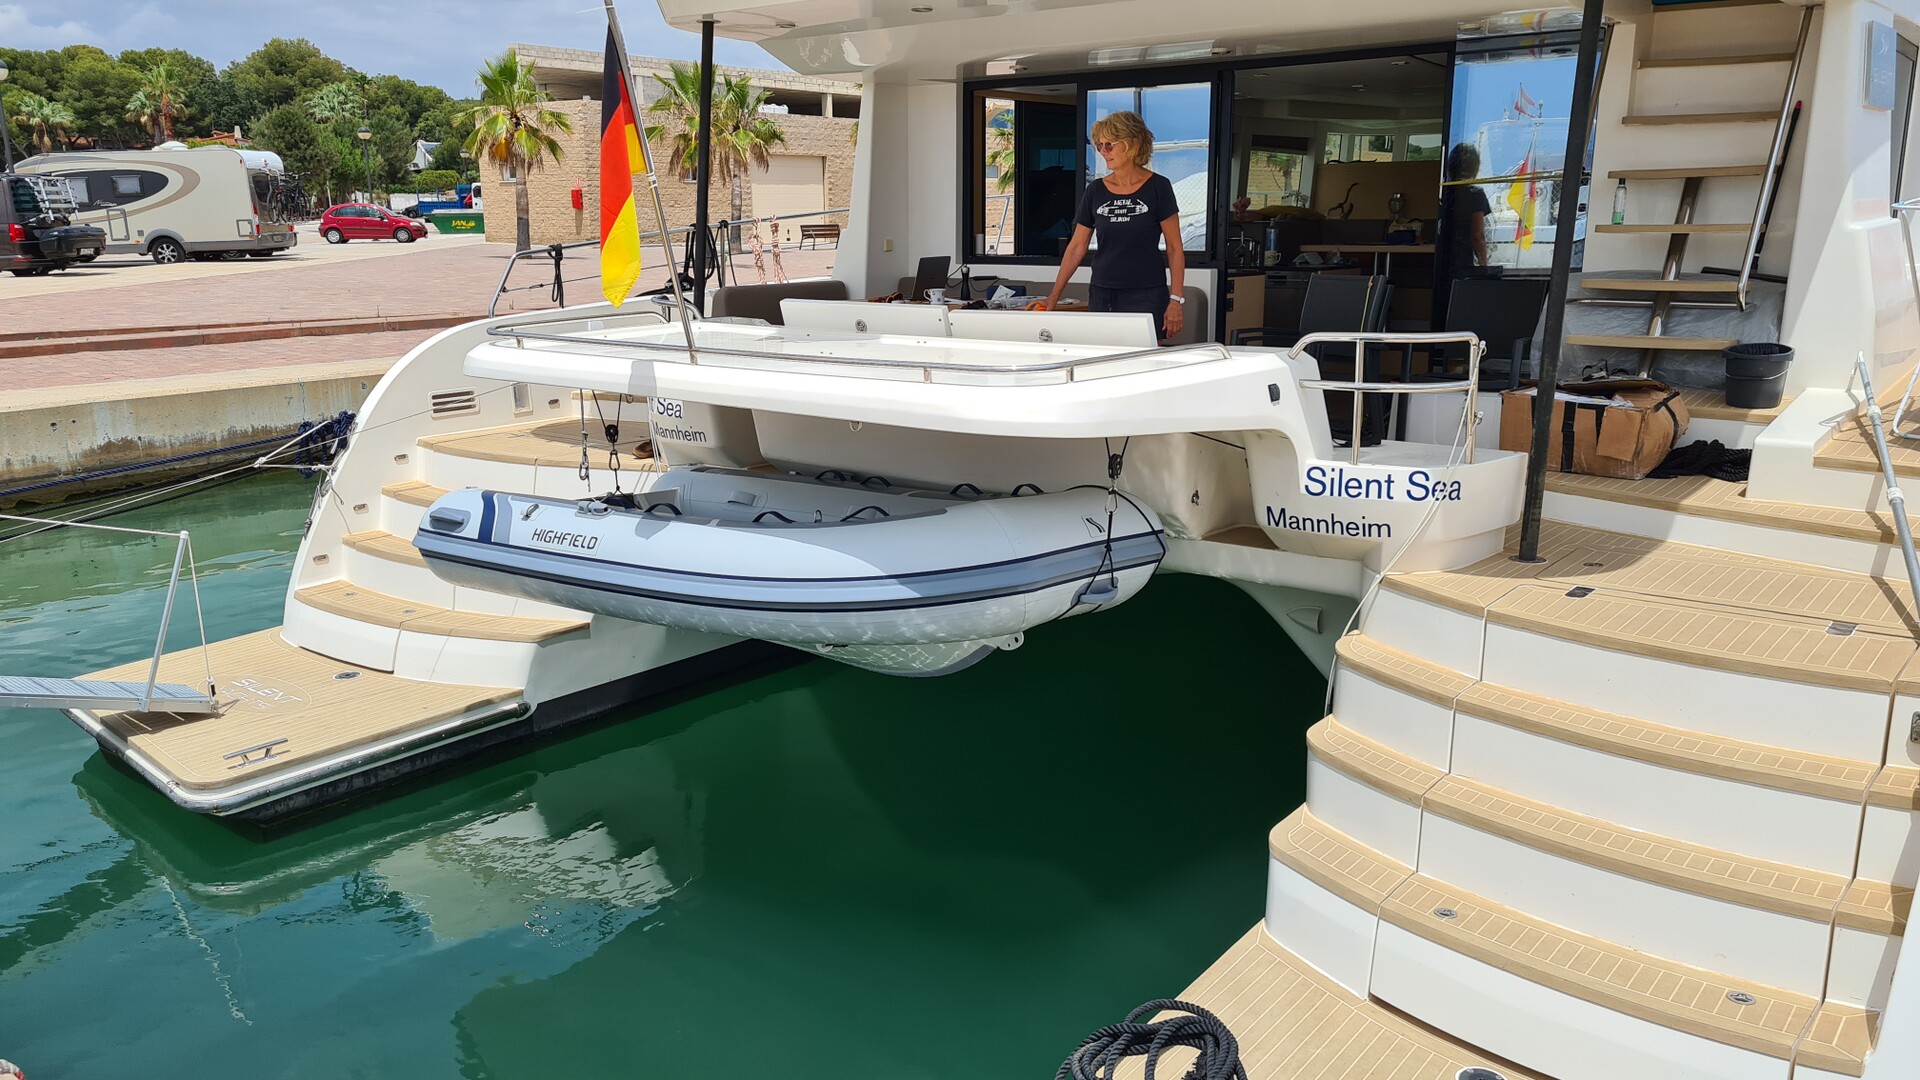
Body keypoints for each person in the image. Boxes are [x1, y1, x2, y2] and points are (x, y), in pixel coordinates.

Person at [1039, 110, 1185, 342]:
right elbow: (1076, 247)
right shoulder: (1095, 190)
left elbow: (1175, 248)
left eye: (1110, 145)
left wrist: (1176, 300)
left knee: (1144, 358)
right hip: (1103, 292)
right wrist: (1054, 296)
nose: (1103, 152)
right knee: (1104, 355)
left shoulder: (1159, 187)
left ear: (1133, 144)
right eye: (1099, 146)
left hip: (1147, 292)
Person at [1436, 141, 1493, 322]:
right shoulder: (1475, 193)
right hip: (1461, 263)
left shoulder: (1443, 192)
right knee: (1461, 312)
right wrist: (1484, 266)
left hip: (1440, 261)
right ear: (1475, 167)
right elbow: (1477, 235)